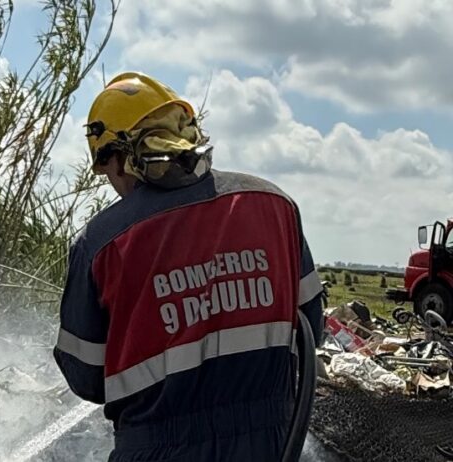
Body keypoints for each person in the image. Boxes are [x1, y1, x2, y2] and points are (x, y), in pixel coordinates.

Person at [53, 72, 323, 462]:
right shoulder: (275, 205)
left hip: (157, 449)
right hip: (273, 443)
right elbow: (310, 327)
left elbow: (86, 376)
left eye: (109, 170)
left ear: (122, 158)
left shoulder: (103, 242)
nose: (114, 183)